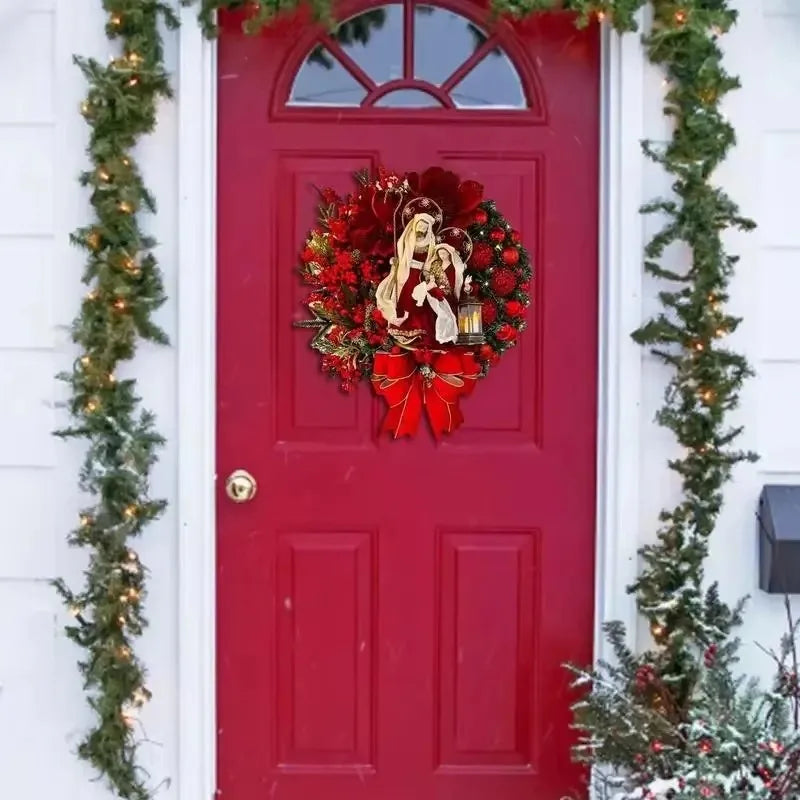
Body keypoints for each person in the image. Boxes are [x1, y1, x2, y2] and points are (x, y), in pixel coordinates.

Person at [375, 214, 467, 347]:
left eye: (425, 227)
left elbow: (430, 258)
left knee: (419, 297)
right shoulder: (408, 238)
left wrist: (428, 274)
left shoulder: (430, 242)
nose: (422, 229)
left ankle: (418, 327)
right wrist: (396, 262)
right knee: (405, 294)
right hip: (406, 271)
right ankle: (402, 323)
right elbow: (401, 252)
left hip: (420, 273)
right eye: (420, 225)